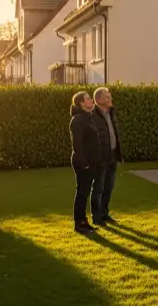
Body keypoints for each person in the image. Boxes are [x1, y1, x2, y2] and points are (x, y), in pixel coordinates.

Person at [69, 91, 101, 234]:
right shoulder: (77, 120)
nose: (91, 101)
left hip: (91, 161)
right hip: (83, 162)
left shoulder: (88, 117)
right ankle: (79, 224)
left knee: (85, 192)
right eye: (88, 99)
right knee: (82, 193)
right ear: (81, 103)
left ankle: (84, 221)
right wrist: (85, 164)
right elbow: (77, 145)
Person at [91, 87, 123, 226]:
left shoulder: (111, 113)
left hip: (112, 155)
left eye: (110, 96)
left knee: (108, 187)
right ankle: (96, 217)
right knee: (98, 188)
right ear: (98, 100)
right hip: (100, 157)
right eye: (107, 97)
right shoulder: (92, 115)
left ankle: (104, 214)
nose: (111, 99)